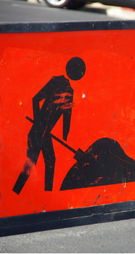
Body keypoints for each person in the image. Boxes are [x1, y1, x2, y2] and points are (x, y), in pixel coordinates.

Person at [12, 56, 85, 193]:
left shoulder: (70, 92)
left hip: (45, 134)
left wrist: (65, 136)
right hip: (37, 132)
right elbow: (36, 99)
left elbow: (66, 118)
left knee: (50, 162)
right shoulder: (55, 82)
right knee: (31, 162)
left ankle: (47, 194)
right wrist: (38, 121)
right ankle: (17, 190)